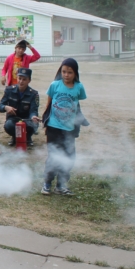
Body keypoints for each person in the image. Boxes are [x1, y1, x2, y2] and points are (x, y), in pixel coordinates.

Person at [41, 58, 87, 196]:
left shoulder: (79, 87)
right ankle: (47, 183)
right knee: (54, 156)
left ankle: (61, 185)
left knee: (69, 157)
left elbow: (77, 105)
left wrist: (79, 122)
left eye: (70, 72)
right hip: (54, 128)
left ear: (75, 73)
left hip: (69, 129)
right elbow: (48, 105)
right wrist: (45, 122)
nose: (66, 75)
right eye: (64, 72)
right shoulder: (54, 85)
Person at [0, 68, 40, 147]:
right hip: (13, 119)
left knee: (34, 124)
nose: (21, 81)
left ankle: (28, 137)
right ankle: (15, 137)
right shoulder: (9, 90)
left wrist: (33, 117)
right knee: (8, 125)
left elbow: (33, 110)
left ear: (29, 80)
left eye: (24, 79)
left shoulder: (34, 94)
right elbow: (0, 106)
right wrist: (6, 107)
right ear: (17, 78)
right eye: (19, 78)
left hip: (27, 119)